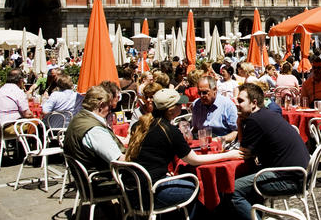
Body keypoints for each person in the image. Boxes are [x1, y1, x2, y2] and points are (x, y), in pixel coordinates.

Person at [126, 88, 241, 218]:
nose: (182, 106)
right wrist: (229, 155)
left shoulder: (140, 126)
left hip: (132, 191)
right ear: (171, 111)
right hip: (151, 193)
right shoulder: (169, 130)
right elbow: (193, 160)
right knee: (199, 188)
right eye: (179, 104)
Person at [231, 83, 310, 220]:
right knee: (248, 179)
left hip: (288, 179)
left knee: (234, 190)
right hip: (300, 174)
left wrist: (239, 124)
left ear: (254, 103)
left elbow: (244, 152)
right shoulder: (266, 114)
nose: (237, 104)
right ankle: (256, 213)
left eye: (240, 101)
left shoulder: (254, 120)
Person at [63, 85, 125, 172]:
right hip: (104, 179)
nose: (110, 111)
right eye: (109, 107)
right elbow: (119, 160)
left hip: (85, 175)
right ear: (101, 105)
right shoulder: (95, 130)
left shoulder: (78, 118)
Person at [191, 76, 238, 142]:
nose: (201, 96)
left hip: (221, 144)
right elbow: (195, 129)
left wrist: (218, 140)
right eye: (199, 93)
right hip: (201, 143)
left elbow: (236, 132)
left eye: (205, 92)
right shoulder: (196, 104)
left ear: (215, 89)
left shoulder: (227, 105)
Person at [0, 69, 33, 135]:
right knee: (36, 124)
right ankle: (32, 145)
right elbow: (27, 114)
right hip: (7, 128)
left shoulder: (0, 90)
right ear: (20, 80)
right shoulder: (17, 91)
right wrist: (35, 116)